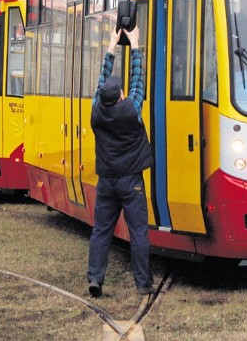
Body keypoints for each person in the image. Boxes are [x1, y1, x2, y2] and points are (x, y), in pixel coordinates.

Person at [87, 25, 154, 299]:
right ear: (123, 96)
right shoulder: (131, 109)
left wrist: (112, 47)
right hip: (131, 181)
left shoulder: (96, 112)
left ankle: (95, 279)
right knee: (138, 231)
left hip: (107, 182)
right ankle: (143, 284)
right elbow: (139, 79)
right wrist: (134, 44)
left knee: (101, 231)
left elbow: (101, 84)